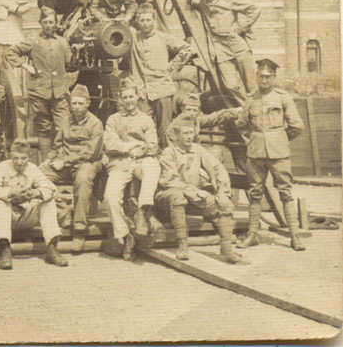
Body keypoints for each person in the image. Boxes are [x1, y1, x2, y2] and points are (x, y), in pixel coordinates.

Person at [236, 58, 306, 251]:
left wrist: (280, 138)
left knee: (285, 193)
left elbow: (297, 126)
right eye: (261, 76)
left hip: (279, 153)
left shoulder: (283, 97)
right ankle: (252, 235)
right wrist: (256, 137)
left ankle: (294, 236)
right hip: (256, 153)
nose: (264, 80)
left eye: (268, 76)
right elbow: (241, 124)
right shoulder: (251, 98)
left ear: (274, 77)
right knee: (255, 194)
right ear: (257, 77)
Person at [154, 118, 244, 264]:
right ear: (176, 136)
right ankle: (182, 244)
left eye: (191, 133)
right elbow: (170, 181)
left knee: (225, 206)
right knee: (178, 196)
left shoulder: (197, 149)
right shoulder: (168, 153)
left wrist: (222, 192)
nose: (190, 136)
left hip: (192, 197)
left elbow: (218, 168)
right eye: (185, 133)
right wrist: (195, 191)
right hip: (165, 199)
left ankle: (226, 252)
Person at [40, 84, 104, 253]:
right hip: (64, 163)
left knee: (83, 180)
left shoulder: (95, 124)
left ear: (88, 103)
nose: (76, 107)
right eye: (73, 103)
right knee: (38, 176)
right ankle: (64, 213)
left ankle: (79, 231)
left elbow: (90, 152)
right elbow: (56, 145)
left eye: (80, 103)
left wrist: (65, 161)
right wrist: (49, 159)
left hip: (86, 164)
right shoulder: (65, 120)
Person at [103, 76, 161, 261]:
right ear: (120, 99)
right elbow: (109, 144)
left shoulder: (146, 120)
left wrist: (134, 149)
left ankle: (141, 212)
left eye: (131, 96)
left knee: (153, 165)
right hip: (119, 164)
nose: (128, 101)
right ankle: (126, 236)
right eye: (124, 97)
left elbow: (152, 146)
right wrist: (129, 146)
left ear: (137, 96)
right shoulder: (113, 119)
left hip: (141, 161)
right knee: (110, 198)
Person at [0, 139, 68, 269]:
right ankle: (5, 251)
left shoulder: (32, 168)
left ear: (29, 157)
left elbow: (49, 188)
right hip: (7, 216)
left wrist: (35, 193)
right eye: (15, 158)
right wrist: (10, 192)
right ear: (10, 156)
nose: (19, 162)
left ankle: (52, 249)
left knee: (48, 201)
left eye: (23, 158)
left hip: (27, 216)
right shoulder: (2, 167)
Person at [5, 7, 74, 161]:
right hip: (39, 92)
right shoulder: (32, 41)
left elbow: (70, 63)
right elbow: (11, 52)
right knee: (43, 128)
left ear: (56, 24)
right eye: (45, 22)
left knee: (64, 125)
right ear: (40, 23)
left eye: (51, 22)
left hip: (60, 92)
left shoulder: (63, 42)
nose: (49, 25)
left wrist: (76, 55)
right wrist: (26, 65)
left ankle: (60, 159)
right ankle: (46, 162)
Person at [187, 0, 260, 102]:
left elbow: (254, 8)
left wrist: (241, 28)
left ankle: (258, 111)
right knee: (230, 86)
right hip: (220, 49)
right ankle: (246, 109)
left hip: (238, 46)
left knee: (252, 87)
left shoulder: (229, 0)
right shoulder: (202, 2)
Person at [129, 3, 192, 148]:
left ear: (154, 20)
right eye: (142, 20)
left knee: (165, 130)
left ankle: (166, 160)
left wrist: (172, 66)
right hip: (142, 92)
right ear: (138, 21)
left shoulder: (163, 38)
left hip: (162, 90)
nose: (145, 24)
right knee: (143, 129)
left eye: (148, 20)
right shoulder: (134, 38)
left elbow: (186, 48)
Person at [167, 91, 240, 154]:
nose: (191, 113)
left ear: (198, 111)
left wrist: (239, 111)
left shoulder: (196, 121)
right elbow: (172, 151)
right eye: (188, 109)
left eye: (194, 110)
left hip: (195, 154)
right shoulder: (174, 127)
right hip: (181, 158)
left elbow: (217, 117)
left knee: (217, 152)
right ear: (182, 109)